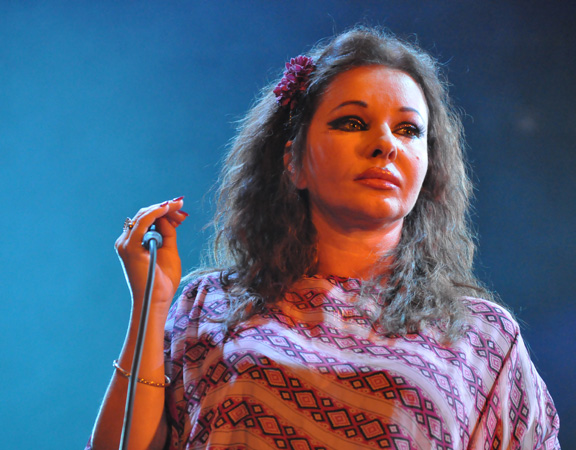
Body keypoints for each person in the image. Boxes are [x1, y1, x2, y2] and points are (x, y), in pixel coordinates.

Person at [86, 27, 560, 450]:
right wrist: (153, 303)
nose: (385, 144)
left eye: (409, 129)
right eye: (353, 122)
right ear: (294, 162)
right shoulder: (209, 304)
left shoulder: (482, 338)